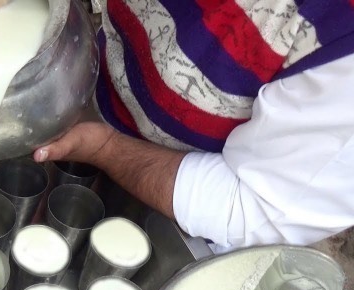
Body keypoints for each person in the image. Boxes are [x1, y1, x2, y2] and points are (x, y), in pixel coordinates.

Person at [34, 0, 354, 251]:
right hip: (99, 93)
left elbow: (250, 209)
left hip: (182, 212)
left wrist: (106, 148)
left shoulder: (342, 57)